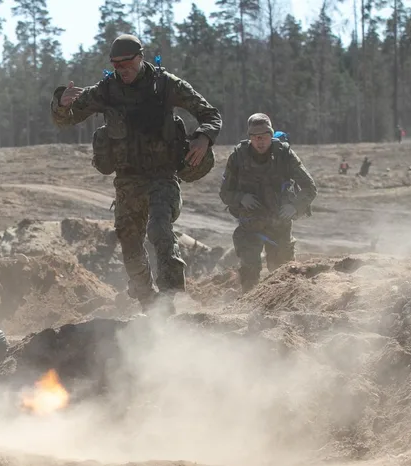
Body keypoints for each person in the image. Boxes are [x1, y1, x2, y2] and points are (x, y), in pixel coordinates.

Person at [51, 34, 222, 312]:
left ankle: (170, 301)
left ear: (140, 57)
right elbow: (65, 120)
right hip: (127, 181)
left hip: (162, 177)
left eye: (127, 63)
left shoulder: (166, 85)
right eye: (115, 65)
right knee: (129, 244)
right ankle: (148, 303)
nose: (122, 70)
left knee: (160, 232)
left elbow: (210, 113)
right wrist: (61, 103)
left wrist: (204, 138)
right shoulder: (106, 91)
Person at [218, 113, 318, 293]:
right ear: (249, 138)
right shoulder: (238, 157)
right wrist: (241, 198)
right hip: (250, 225)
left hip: (279, 224)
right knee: (249, 272)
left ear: (271, 136)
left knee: (283, 274)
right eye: (255, 137)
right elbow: (225, 192)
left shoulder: (285, 154)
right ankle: (247, 307)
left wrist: (294, 206)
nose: (260, 141)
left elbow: (310, 187)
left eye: (264, 137)